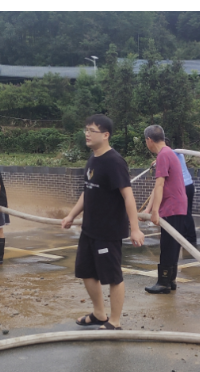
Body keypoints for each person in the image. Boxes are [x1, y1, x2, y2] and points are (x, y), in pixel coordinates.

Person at [62, 115, 144, 330]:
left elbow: (128, 196)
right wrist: (71, 215)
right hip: (89, 229)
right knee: (86, 272)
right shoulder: (93, 158)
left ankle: (115, 322)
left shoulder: (114, 161)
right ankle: (99, 314)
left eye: (92, 130)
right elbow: (87, 191)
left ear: (105, 135)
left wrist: (134, 229)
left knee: (113, 277)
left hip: (108, 231)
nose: (87, 134)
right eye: (86, 130)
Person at [142, 125, 187, 294]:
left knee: (168, 244)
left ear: (149, 140)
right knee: (172, 244)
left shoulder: (163, 155)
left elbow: (159, 184)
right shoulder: (169, 153)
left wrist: (154, 212)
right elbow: (158, 186)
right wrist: (148, 210)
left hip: (172, 206)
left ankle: (163, 282)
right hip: (178, 205)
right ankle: (171, 280)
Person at [164, 137, 197, 246]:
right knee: (187, 213)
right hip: (189, 185)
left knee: (185, 213)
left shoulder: (169, 154)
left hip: (183, 186)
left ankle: (191, 239)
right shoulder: (177, 153)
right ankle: (187, 236)